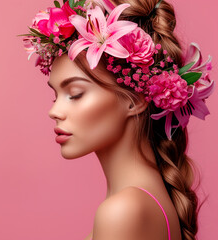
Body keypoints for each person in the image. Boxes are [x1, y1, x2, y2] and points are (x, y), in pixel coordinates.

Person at [19, 0, 215, 239]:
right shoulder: (145, 199)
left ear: (136, 100)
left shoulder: (123, 211)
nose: (54, 111)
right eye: (55, 95)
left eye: (75, 94)